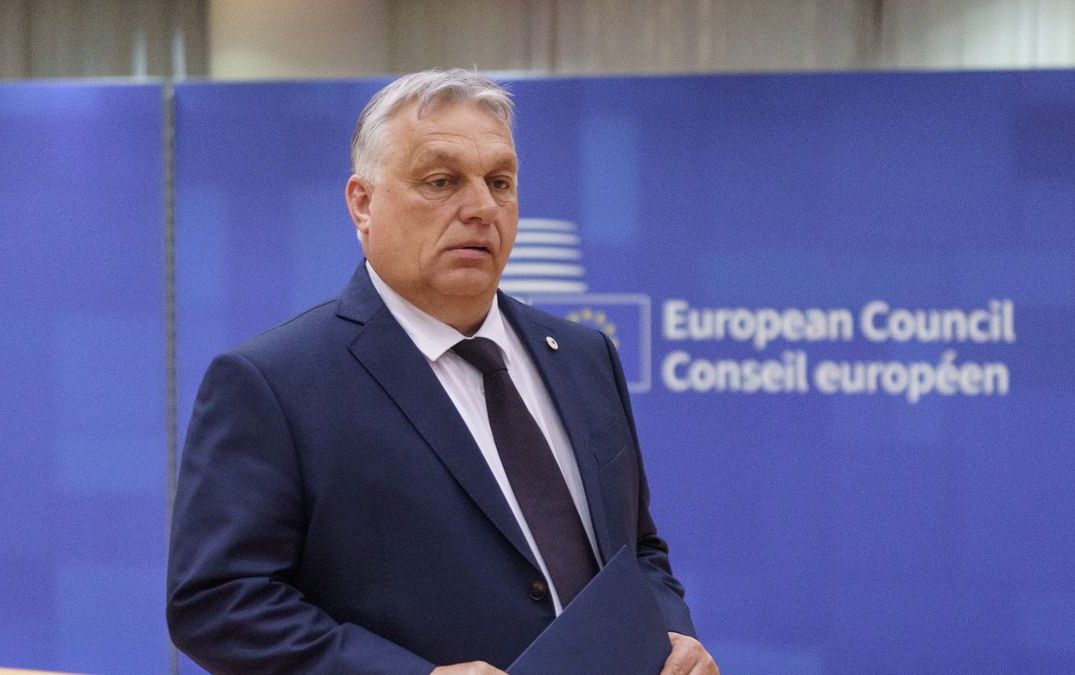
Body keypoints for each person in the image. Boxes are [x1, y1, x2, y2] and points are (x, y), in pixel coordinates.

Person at [166, 69, 717, 675]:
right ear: (362, 203)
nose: (481, 207)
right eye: (441, 181)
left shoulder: (585, 356)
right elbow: (219, 603)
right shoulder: (273, 383)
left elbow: (635, 550)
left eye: (500, 182)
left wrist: (670, 635)